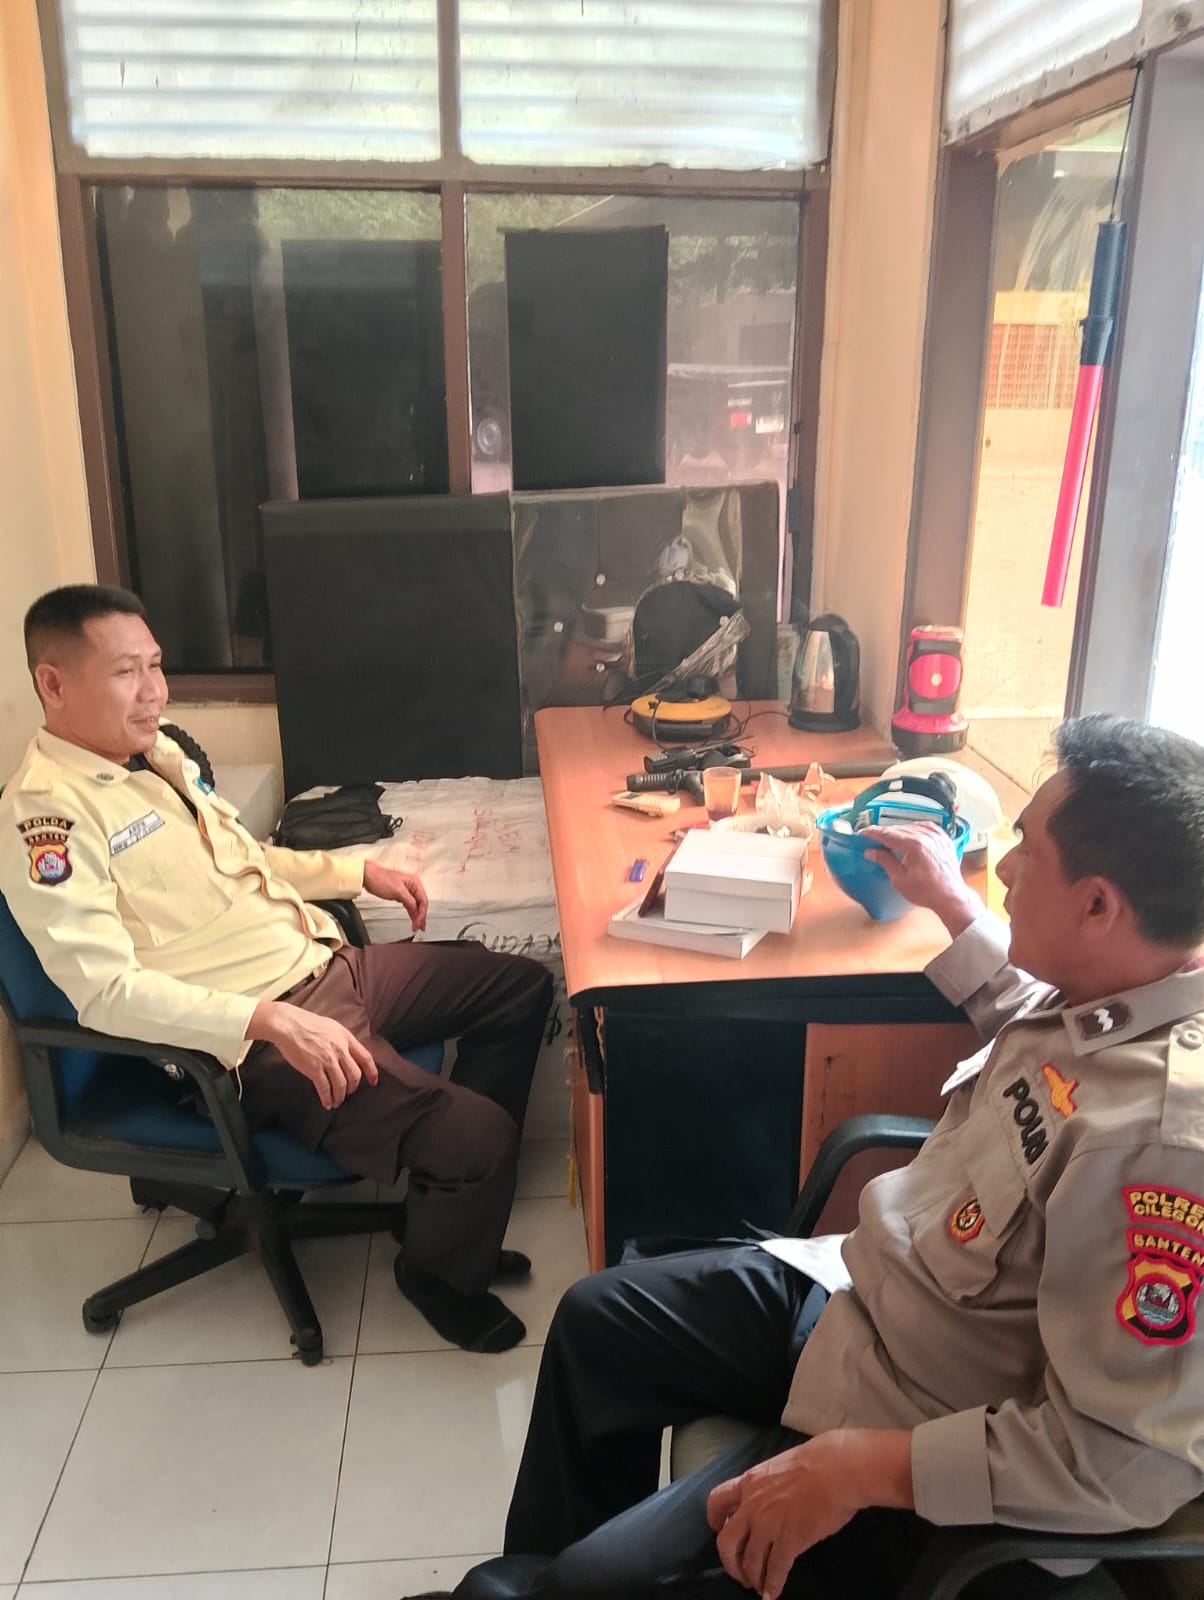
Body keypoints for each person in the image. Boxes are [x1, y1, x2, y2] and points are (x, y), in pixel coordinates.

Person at [405, 714, 1204, 1599]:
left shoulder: (1160, 1144)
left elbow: (1123, 1464)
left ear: (1098, 907)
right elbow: (1035, 1040)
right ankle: (530, 1580)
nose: (1006, 870)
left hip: (924, 1426)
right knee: (596, 1321)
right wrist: (948, 900)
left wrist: (863, 1467)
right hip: (863, 1299)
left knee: (590, 1583)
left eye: (1029, 853)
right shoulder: (1113, 994)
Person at [0, 585, 553, 1355]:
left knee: (521, 988)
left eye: (156, 666)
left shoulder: (154, 758)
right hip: (252, 1043)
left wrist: (357, 873)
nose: (155, 691)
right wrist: (268, 1020)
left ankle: (447, 1204)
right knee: (479, 1137)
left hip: (322, 965)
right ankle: (436, 1271)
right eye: (127, 672)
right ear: (53, 684)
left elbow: (244, 859)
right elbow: (105, 993)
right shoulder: (47, 817)